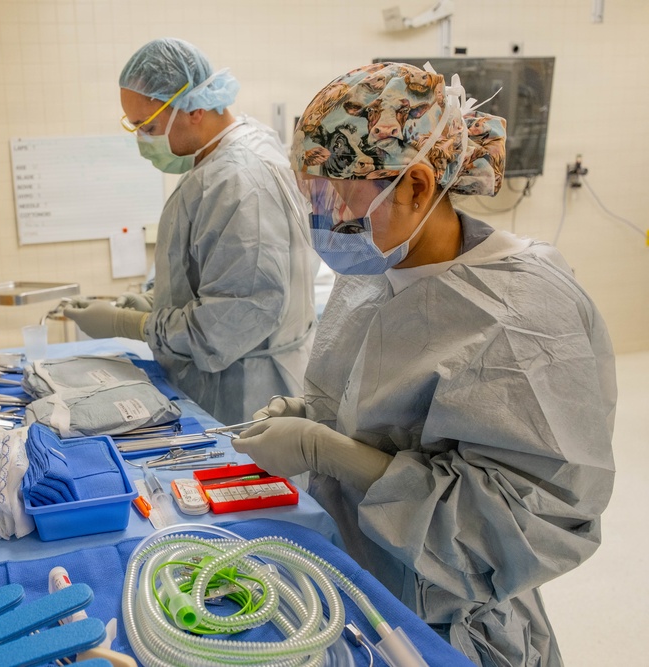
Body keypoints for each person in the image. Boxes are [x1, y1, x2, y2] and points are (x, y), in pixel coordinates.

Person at [232, 62, 616, 667]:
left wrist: (325, 451)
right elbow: (374, 406)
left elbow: (512, 529)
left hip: (448, 620)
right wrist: (314, 416)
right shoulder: (380, 268)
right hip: (361, 578)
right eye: (311, 199)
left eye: (336, 200)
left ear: (414, 186)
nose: (324, 223)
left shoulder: (517, 312)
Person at [64, 38, 315, 425]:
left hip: (246, 399)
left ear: (194, 107)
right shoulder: (227, 157)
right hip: (232, 384)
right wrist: (158, 301)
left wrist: (130, 324)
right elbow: (216, 271)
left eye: (149, 126)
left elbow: (234, 316)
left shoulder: (237, 180)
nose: (142, 140)